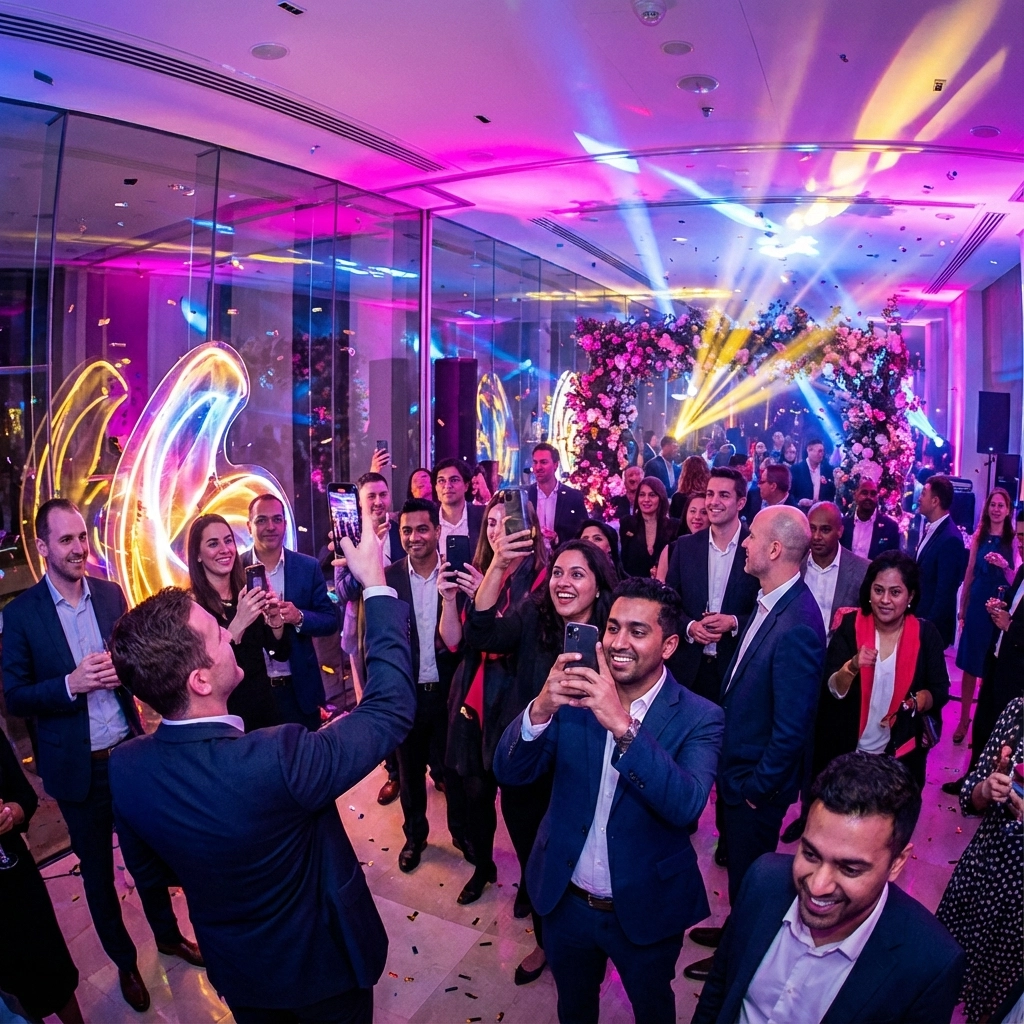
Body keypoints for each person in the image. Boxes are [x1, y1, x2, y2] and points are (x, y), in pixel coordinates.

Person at [107, 511, 414, 1024]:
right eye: (218, 634)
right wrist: (377, 586)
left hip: (241, 977)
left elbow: (151, 871)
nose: (230, 636)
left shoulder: (126, 767)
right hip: (323, 976)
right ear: (200, 681)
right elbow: (389, 709)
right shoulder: (278, 757)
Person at [1, 499, 202, 1013]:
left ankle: (169, 937)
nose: (78, 549)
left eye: (81, 538)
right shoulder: (20, 615)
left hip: (129, 753)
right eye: (65, 540)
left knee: (149, 858)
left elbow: (139, 661)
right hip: (78, 768)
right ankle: (126, 964)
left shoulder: (111, 595)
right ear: (43, 548)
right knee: (97, 874)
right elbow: (15, 694)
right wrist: (69, 684)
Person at [494, 577, 724, 1024]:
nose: (619, 642)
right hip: (566, 900)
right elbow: (510, 771)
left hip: (645, 906)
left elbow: (686, 804)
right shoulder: (575, 700)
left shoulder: (701, 717)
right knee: (574, 1007)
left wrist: (622, 725)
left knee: (652, 1006)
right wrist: (540, 708)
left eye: (638, 632)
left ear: (670, 645)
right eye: (613, 627)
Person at [693, 753, 966, 1024]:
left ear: (897, 863)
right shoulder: (763, 881)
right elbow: (719, 988)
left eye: (849, 869)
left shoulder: (930, 964)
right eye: (810, 854)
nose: (817, 885)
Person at [465, 538, 618, 986]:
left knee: (586, 859)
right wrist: (498, 567)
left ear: (598, 583)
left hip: (589, 768)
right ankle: (544, 941)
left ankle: (589, 942)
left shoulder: (615, 632)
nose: (563, 582)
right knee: (537, 861)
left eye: (577, 574)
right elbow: (482, 634)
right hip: (529, 767)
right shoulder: (534, 616)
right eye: (557, 572)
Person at [684, 505, 826, 982]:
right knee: (741, 875)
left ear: (775, 549)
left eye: (752, 537)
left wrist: (754, 789)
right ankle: (734, 931)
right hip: (739, 771)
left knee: (752, 878)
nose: (743, 543)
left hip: (754, 786)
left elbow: (792, 728)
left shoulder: (799, 623)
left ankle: (737, 963)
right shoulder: (771, 603)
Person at [443, 492, 547, 912]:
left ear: (528, 528)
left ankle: (529, 878)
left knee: (521, 803)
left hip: (514, 695)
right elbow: (453, 640)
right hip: (473, 693)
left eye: (507, 522)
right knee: (475, 793)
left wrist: (487, 600)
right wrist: (451, 599)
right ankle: (483, 865)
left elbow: (513, 640)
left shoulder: (543, 577)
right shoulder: (479, 572)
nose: (498, 531)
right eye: (490, 523)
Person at [813, 550, 949, 794]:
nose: (885, 599)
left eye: (895, 592)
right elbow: (831, 689)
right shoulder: (849, 626)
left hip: (899, 758)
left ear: (911, 596)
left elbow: (940, 691)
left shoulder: (926, 635)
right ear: (869, 592)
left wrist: (917, 701)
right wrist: (853, 665)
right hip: (845, 754)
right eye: (878, 590)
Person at [386, 499, 465, 875]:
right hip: (407, 694)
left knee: (454, 771)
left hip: (449, 692)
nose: (414, 537)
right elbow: (377, 638)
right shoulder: (388, 579)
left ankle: (463, 834)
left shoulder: (457, 575)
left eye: (421, 529)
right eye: (406, 530)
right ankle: (415, 836)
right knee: (410, 772)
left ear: (437, 531)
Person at [937, 697, 1023, 1023]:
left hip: (1019, 913)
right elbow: (970, 795)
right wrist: (986, 790)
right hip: (979, 877)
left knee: (993, 1003)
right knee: (942, 975)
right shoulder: (1017, 710)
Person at [0, 731, 83, 1024]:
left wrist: (12, 812)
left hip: (13, 874)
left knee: (49, 961)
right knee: (11, 992)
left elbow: (24, 796)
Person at [334, 471, 405, 804]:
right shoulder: (347, 536)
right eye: (370, 497)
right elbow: (343, 590)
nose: (378, 502)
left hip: (405, 624)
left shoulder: (405, 530)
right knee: (379, 697)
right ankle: (393, 770)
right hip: (364, 630)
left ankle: (428, 767)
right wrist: (365, 564)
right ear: (360, 503)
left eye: (382, 495)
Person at [944, 511, 1024, 797]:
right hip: (998, 660)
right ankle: (972, 782)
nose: (1022, 544)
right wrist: (1001, 610)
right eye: (1021, 537)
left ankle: (994, 797)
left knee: (1005, 740)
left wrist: (1010, 626)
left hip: (1016, 674)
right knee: (984, 728)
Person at [243, 494, 339, 731]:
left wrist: (299, 617)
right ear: (249, 526)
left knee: (306, 764)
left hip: (300, 690)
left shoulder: (307, 567)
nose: (270, 527)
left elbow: (330, 619)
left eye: (277, 519)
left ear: (285, 524)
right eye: (261, 520)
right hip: (252, 691)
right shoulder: (234, 567)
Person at [664, 468, 757, 705]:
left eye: (724, 495)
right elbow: (667, 604)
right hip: (688, 669)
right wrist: (690, 626)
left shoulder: (755, 548)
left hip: (736, 669)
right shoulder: (685, 547)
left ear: (741, 502)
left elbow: (767, 610)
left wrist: (734, 622)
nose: (713, 502)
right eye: (710, 494)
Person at [187, 513, 288, 732]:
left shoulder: (245, 593)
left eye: (228, 540)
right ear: (198, 555)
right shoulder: (191, 608)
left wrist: (275, 619)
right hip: (224, 719)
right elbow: (201, 673)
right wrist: (237, 625)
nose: (225, 549)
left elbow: (277, 652)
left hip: (263, 711)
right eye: (213, 544)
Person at [953, 488, 1017, 744]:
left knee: (991, 665)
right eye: (993, 504)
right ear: (987, 508)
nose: (996, 509)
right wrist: (963, 606)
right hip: (978, 601)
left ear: (1008, 510)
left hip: (999, 604)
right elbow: (970, 571)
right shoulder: (979, 536)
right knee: (970, 664)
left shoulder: (1012, 540)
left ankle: (985, 720)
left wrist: (1004, 565)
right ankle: (963, 718)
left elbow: (1015, 576)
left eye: (1001, 505)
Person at [914, 474, 968, 647]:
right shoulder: (934, 528)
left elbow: (944, 593)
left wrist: (925, 628)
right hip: (919, 620)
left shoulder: (950, 538)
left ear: (935, 501)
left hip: (931, 629)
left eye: (923, 494)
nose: (919, 498)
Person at [802, 502, 870, 640]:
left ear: (840, 531)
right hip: (800, 653)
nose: (816, 536)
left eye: (825, 530)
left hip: (842, 657)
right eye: (812, 529)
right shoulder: (795, 566)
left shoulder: (862, 570)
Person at [527, 442, 588, 548]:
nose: (538, 467)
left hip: (563, 557)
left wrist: (557, 539)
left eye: (543, 462)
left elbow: (583, 533)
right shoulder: (525, 495)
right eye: (535, 462)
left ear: (555, 465)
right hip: (530, 559)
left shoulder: (573, 497)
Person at [619, 476, 679, 578]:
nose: (646, 500)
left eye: (652, 495)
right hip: (633, 588)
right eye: (642, 495)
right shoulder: (627, 523)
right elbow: (624, 563)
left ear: (661, 498)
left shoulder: (674, 526)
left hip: (663, 588)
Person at [841, 476, 901, 560]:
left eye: (873, 494)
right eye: (864, 493)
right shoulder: (843, 524)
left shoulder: (890, 527)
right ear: (855, 495)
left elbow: (893, 562)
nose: (869, 497)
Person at [656, 491, 710, 582]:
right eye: (692, 511)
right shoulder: (671, 549)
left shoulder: (717, 550)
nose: (697, 516)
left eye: (704, 512)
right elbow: (659, 588)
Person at [434, 458, 484, 553]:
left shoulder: (483, 516)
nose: (447, 486)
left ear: (466, 485)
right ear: (436, 487)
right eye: (441, 481)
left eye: (454, 480)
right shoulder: (429, 519)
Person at [790, 438, 836, 507]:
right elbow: (790, 494)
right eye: (819, 451)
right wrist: (799, 503)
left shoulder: (828, 470)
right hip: (801, 511)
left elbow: (832, 492)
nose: (822, 454)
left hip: (823, 512)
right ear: (809, 450)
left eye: (823, 451)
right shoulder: (796, 469)